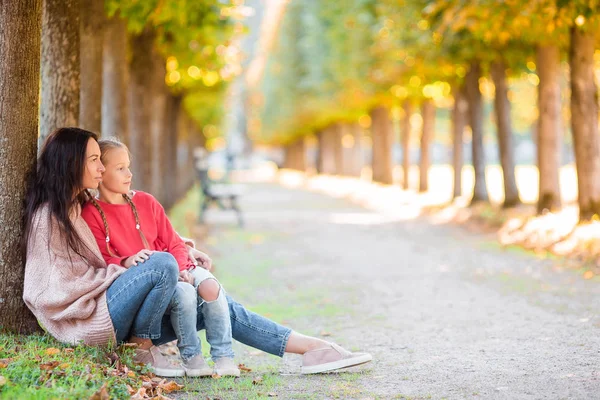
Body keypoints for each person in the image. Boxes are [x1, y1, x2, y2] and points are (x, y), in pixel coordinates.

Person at [22, 127, 372, 378]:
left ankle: (309, 349)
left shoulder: (81, 205)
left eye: (102, 160)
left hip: (122, 309)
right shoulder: (51, 216)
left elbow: (130, 244)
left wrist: (185, 253)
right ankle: (141, 348)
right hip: (91, 321)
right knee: (162, 264)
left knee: (216, 303)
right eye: (95, 160)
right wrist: (132, 269)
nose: (101, 168)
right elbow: (54, 288)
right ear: (71, 163)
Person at [81, 138, 238, 377]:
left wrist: (184, 268)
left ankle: (223, 356)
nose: (129, 174)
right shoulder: (91, 213)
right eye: (120, 168)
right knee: (184, 293)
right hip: (152, 283)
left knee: (210, 286)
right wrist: (126, 261)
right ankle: (192, 357)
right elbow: (99, 260)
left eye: (129, 166)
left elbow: (173, 241)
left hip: (178, 264)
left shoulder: (146, 201)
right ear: (101, 172)